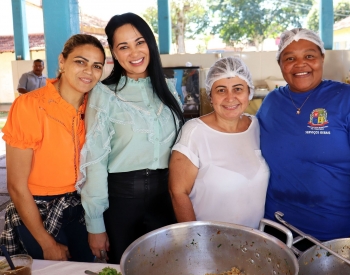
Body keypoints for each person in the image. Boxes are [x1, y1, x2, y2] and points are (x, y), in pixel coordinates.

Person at [256, 28, 350, 244]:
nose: (300, 64)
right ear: (280, 64)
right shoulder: (272, 102)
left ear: (322, 58)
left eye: (309, 56)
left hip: (335, 237)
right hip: (275, 231)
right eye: (290, 58)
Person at [77, 12, 185, 264]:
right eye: (123, 47)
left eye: (139, 42)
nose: (134, 52)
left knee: (168, 267)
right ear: (114, 53)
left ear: (150, 43)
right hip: (121, 203)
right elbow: (95, 162)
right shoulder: (103, 94)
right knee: (123, 268)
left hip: (165, 200)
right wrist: (95, 224)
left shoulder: (168, 89)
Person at [0, 34, 106, 261]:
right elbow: (16, 186)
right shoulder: (31, 106)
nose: (88, 71)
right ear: (61, 62)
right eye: (80, 61)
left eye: (96, 66)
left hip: (80, 207)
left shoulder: (95, 106)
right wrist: (46, 243)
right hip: (38, 211)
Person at [169, 56, 270, 229]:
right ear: (210, 95)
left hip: (253, 240)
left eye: (238, 89)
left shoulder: (257, 127)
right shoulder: (195, 132)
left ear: (249, 92)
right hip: (210, 242)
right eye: (221, 90)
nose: (230, 98)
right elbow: (178, 192)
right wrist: (196, 240)